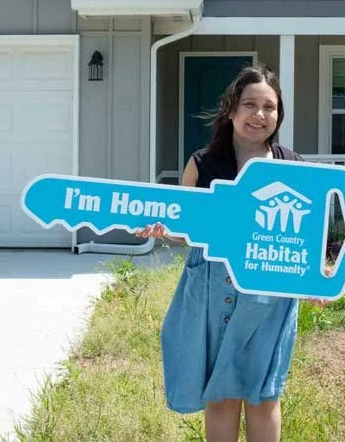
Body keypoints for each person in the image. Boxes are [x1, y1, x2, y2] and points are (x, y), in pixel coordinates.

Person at [136, 63, 317, 442]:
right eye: (250, 105)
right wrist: (166, 231)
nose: (260, 115)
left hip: (269, 293)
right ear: (232, 110)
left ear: (279, 114)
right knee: (221, 394)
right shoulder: (203, 163)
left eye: (270, 107)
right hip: (211, 289)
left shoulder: (294, 166)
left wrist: (315, 280)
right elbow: (185, 231)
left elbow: (304, 239)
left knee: (263, 394)